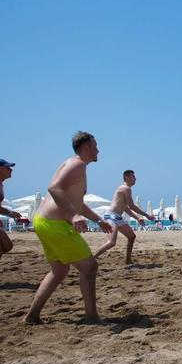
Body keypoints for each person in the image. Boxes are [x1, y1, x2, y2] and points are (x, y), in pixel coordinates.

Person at [23, 131, 112, 325]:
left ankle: (32, 316)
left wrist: (98, 219)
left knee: (60, 271)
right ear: (86, 147)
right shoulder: (77, 164)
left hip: (45, 222)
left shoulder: (75, 165)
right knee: (89, 267)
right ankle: (91, 317)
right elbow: (54, 188)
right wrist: (74, 215)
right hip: (55, 224)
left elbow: (76, 201)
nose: (98, 150)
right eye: (95, 146)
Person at [94, 170, 155, 265]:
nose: (135, 178)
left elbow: (126, 208)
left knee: (132, 236)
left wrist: (137, 218)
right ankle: (91, 258)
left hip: (117, 217)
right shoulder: (126, 188)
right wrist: (146, 215)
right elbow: (132, 206)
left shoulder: (126, 189)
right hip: (110, 216)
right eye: (133, 177)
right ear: (126, 177)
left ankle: (128, 260)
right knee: (111, 242)